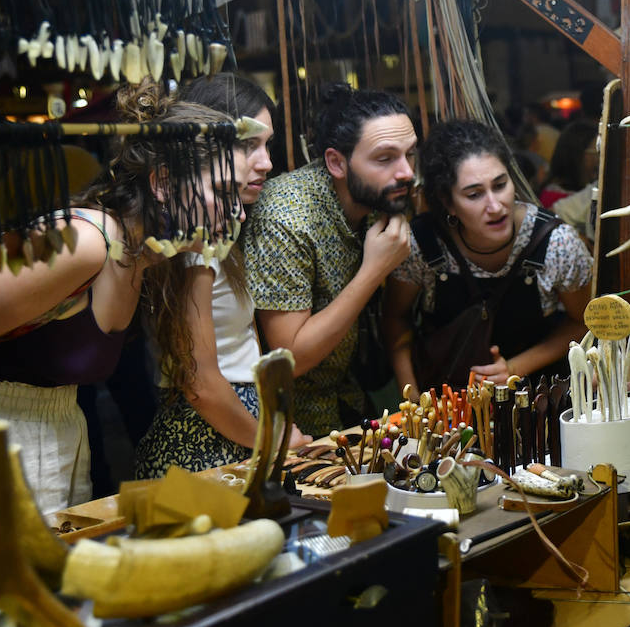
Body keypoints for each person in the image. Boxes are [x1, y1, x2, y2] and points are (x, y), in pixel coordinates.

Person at [0, 81, 242, 539]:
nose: (235, 210)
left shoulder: (147, 254)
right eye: (223, 191)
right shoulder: (80, 243)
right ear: (161, 183)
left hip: (53, 453)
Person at [133, 74, 311, 478]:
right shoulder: (193, 237)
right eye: (250, 144)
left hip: (234, 424)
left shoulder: (218, 226)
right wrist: (274, 440)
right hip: (206, 436)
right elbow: (200, 384)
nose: (266, 161)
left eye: (268, 144)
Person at [244, 83, 417, 437]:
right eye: (385, 158)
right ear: (336, 163)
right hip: (290, 427)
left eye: (410, 154)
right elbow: (288, 357)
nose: (407, 172)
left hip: (350, 403)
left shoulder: (379, 196)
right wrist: (374, 270)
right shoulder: (287, 217)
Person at [382, 119, 591, 390]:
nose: (495, 206)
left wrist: (515, 368)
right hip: (448, 403)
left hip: (537, 401)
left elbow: (582, 323)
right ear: (448, 202)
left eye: (500, 185)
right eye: (474, 194)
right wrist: (411, 399)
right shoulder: (422, 244)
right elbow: (396, 319)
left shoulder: (556, 243)